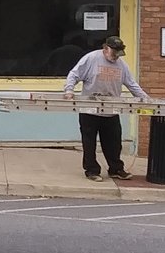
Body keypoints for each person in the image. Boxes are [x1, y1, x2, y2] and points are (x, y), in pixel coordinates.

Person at [63, 36, 149, 182]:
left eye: (118, 53)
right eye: (114, 52)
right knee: (89, 143)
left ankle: (116, 169)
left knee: (114, 143)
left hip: (111, 110)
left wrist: (145, 99)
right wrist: (69, 90)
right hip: (90, 109)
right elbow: (74, 74)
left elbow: (131, 84)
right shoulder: (91, 59)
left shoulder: (121, 65)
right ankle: (92, 170)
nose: (116, 56)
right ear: (105, 48)